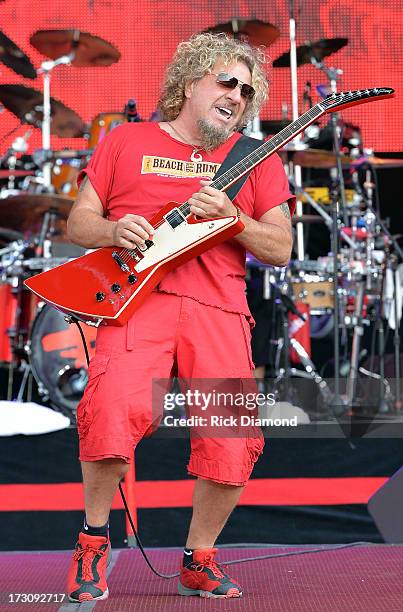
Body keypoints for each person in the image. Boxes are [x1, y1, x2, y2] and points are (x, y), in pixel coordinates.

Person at [66, 32, 294, 602]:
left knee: (231, 438)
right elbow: (78, 223)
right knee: (109, 417)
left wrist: (235, 220)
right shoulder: (126, 140)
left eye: (246, 89)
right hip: (138, 303)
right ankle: (94, 543)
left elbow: (281, 248)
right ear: (189, 83)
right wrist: (114, 230)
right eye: (226, 81)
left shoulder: (254, 157)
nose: (237, 95)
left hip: (219, 305)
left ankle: (200, 558)